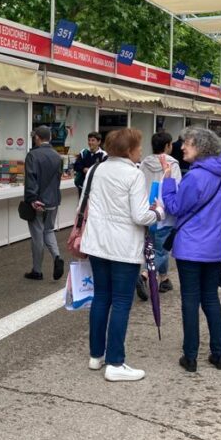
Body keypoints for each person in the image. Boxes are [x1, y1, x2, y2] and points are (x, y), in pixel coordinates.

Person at [78, 128, 163, 382]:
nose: (141, 151)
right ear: (128, 150)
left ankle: (96, 355)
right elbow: (139, 215)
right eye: (138, 147)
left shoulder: (96, 169)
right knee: (122, 301)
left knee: (101, 297)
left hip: (96, 243)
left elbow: (85, 203)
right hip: (123, 247)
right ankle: (115, 361)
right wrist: (158, 211)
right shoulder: (133, 175)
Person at [161, 127, 221, 373]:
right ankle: (219, 354)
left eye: (188, 143)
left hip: (190, 249)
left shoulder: (194, 177)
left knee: (190, 301)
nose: (182, 146)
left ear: (202, 146)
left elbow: (174, 207)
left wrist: (168, 181)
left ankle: (190, 356)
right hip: (214, 249)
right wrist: (218, 241)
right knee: (211, 299)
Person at [139, 131, 181, 293]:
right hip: (164, 212)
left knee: (153, 245)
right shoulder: (172, 165)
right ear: (167, 146)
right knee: (162, 249)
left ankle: (164, 279)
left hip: (147, 211)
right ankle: (144, 275)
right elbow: (176, 188)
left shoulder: (144, 163)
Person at [24, 125, 64, 281]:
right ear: (50, 138)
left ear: (37, 138)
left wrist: (32, 199)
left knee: (37, 235)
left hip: (38, 201)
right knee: (48, 230)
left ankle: (37, 270)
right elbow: (58, 179)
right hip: (53, 200)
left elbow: (31, 179)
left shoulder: (32, 155)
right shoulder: (57, 156)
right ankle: (57, 257)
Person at [73, 131, 107, 195]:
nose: (90, 142)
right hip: (83, 187)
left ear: (99, 142)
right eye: (89, 140)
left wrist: (91, 171)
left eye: (93, 140)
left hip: (97, 189)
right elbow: (76, 166)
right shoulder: (83, 152)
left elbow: (105, 171)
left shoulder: (103, 155)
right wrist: (83, 169)